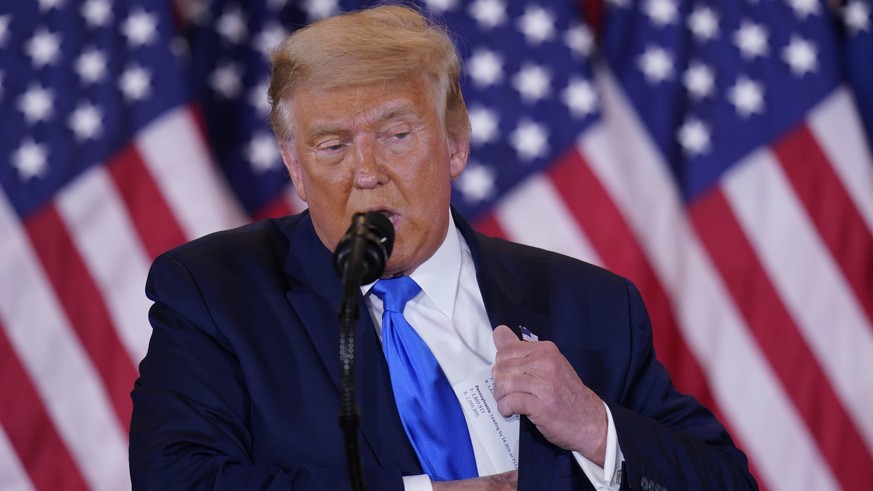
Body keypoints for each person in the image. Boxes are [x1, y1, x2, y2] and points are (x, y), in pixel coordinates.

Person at [129, 5, 757, 491]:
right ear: (294, 167)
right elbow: (178, 482)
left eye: (397, 134)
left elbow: (725, 481)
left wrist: (594, 427)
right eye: (332, 146)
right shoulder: (217, 294)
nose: (366, 172)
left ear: (455, 144)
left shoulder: (589, 305)